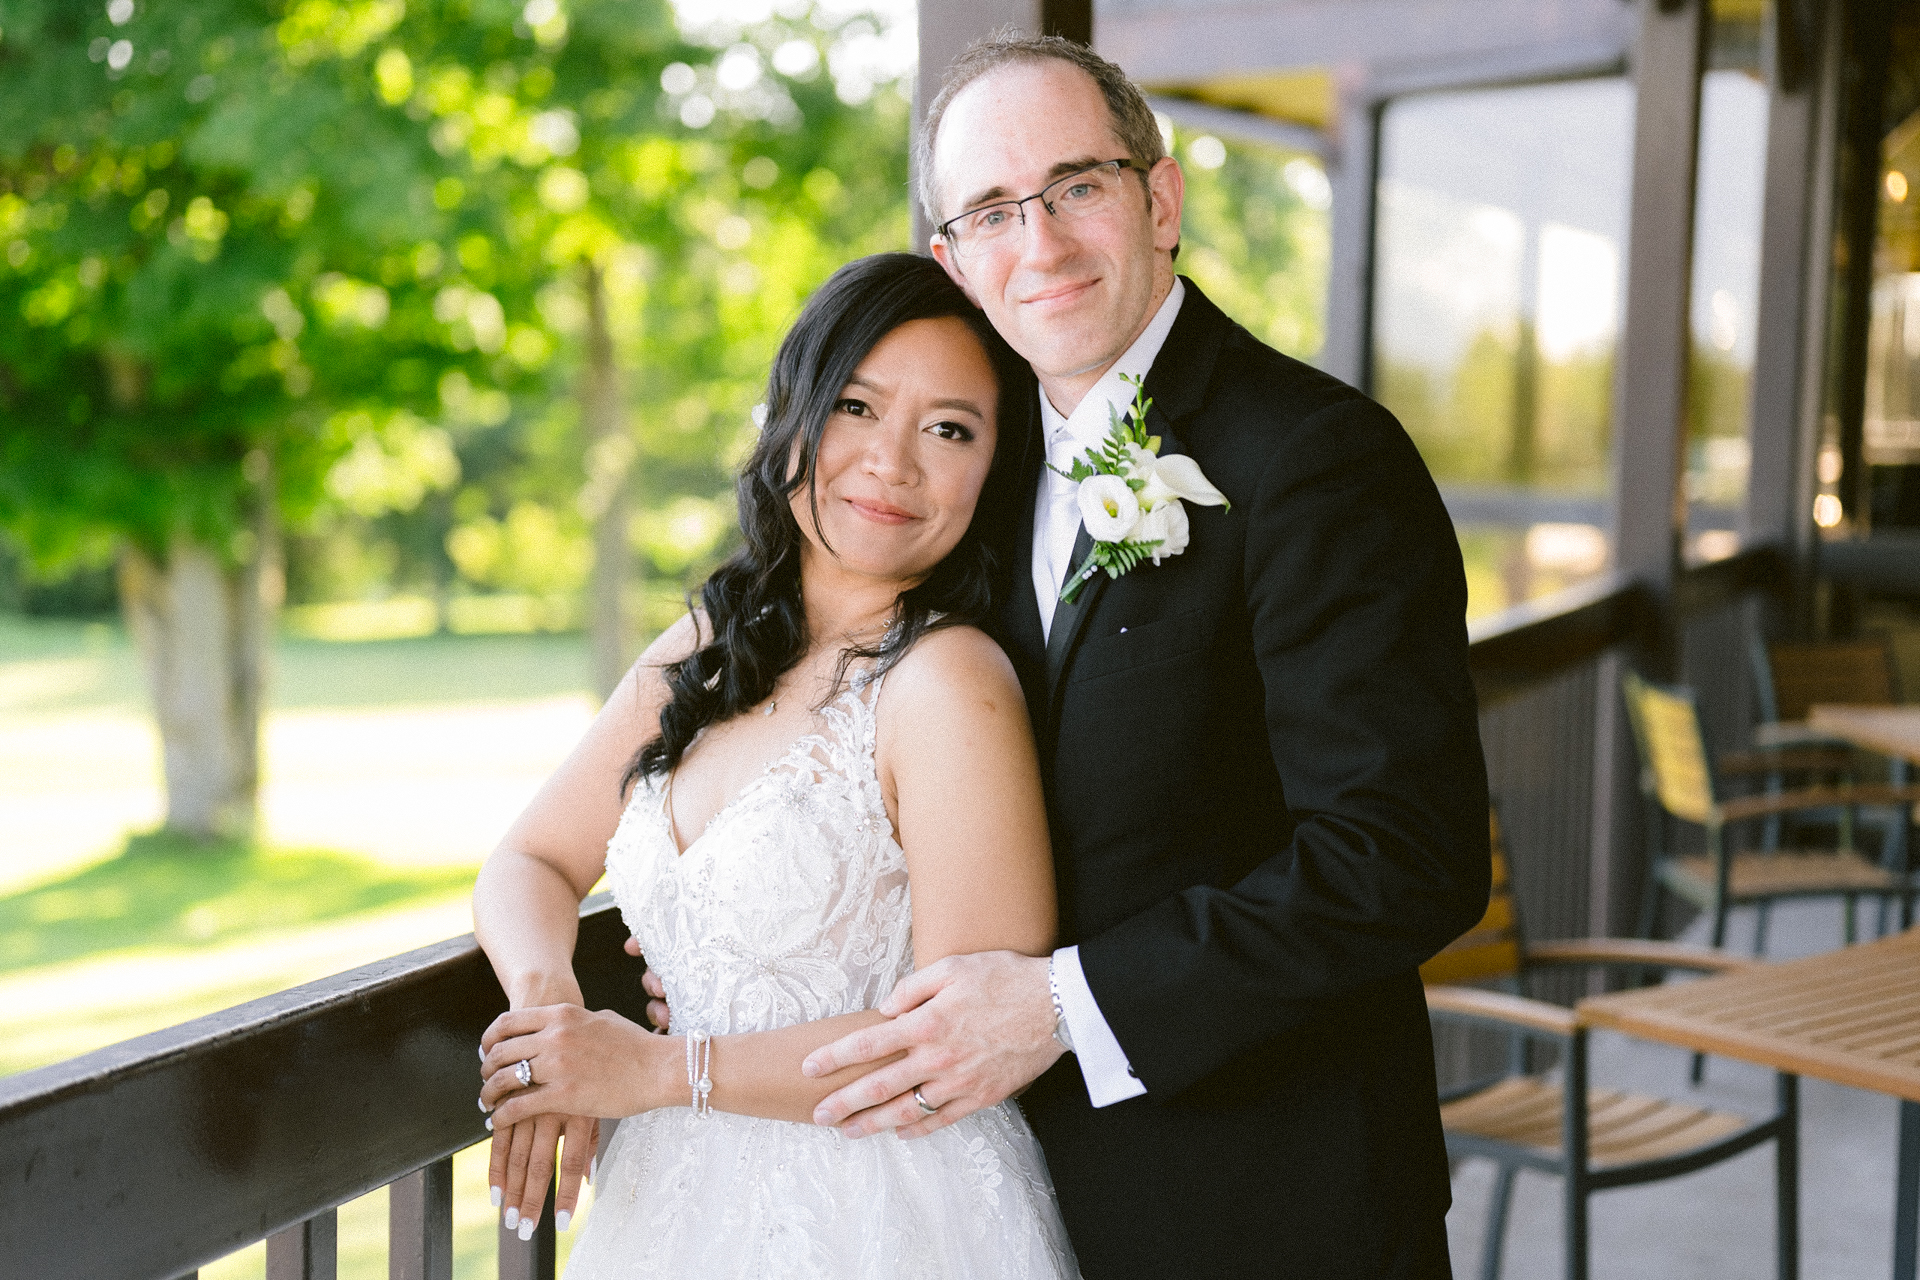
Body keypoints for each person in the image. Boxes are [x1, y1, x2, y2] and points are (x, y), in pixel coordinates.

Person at [793, 35, 1492, 1279]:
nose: (1042, 244)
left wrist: (1065, 1005)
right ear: (953, 258)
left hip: (1273, 1206)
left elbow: (1403, 855)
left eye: (1077, 187)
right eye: (995, 211)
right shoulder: (969, 473)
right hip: (1008, 1198)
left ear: (1159, 200)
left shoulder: (1317, 458)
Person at [469, 251, 1080, 1278]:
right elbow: (527, 857)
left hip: (883, 1215)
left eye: (949, 428)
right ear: (791, 412)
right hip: (672, 1203)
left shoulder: (948, 682)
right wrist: (552, 1013)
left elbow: (957, 1049)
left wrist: (663, 1069)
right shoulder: (712, 642)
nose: (891, 462)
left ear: (995, 469)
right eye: (855, 406)